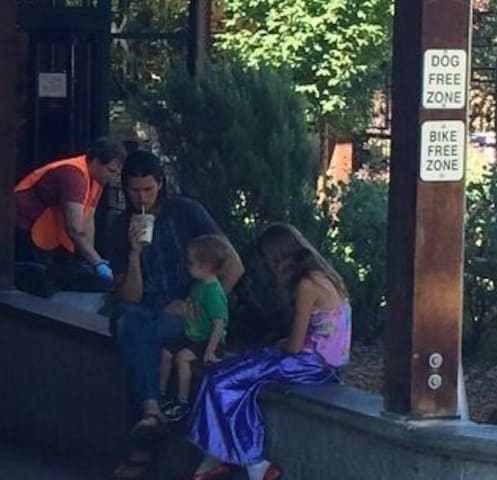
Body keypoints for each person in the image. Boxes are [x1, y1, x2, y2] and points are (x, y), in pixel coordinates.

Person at [102, 151, 239, 479]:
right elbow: (129, 296)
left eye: (148, 190)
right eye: (134, 191)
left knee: (140, 345)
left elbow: (233, 264)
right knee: (130, 323)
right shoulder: (119, 226)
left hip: (183, 305)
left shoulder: (186, 212)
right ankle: (152, 411)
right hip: (142, 306)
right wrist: (134, 254)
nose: (141, 198)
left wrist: (204, 303)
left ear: (160, 185)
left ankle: (143, 445)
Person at [186, 223, 352, 480]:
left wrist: (279, 345)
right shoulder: (326, 277)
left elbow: (295, 345)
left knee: (222, 380)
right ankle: (217, 452)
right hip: (320, 360)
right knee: (224, 373)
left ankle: (254, 463)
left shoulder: (306, 286)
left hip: (312, 364)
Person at [13, 137, 126, 294]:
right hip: (24, 227)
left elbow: (88, 219)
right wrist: (96, 261)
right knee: (39, 279)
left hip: (47, 232)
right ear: (95, 161)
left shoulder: (97, 180)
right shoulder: (74, 176)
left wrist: (90, 257)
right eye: (110, 171)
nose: (112, 177)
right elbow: (74, 227)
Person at [157, 235, 240, 420]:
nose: (187, 266)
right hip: (192, 333)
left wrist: (210, 351)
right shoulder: (198, 285)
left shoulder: (213, 292)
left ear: (205, 266)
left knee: (182, 358)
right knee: (166, 352)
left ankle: (183, 401)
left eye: (191, 263)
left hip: (207, 339)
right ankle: (160, 394)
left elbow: (219, 323)